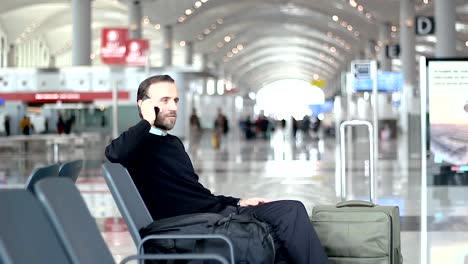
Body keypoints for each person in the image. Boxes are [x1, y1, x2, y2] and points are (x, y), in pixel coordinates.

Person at [105, 75, 329, 264]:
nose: (173, 107)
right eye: (164, 100)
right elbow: (114, 153)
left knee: (289, 213)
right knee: (289, 216)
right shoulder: (138, 145)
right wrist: (147, 121)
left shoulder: (172, 143)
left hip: (212, 214)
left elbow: (197, 194)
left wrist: (237, 202)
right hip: (191, 224)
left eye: (175, 100)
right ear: (142, 104)